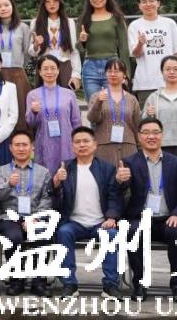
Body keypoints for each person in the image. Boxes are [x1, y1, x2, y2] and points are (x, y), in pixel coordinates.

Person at [48, 126, 126, 298]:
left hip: (100, 222)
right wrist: (56, 182)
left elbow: (115, 195)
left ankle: (110, 285)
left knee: (112, 235)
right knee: (63, 232)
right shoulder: (65, 168)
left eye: (86, 141)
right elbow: (54, 200)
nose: (81, 145)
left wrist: (111, 217)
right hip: (74, 222)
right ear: (72, 146)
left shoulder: (106, 168)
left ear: (95, 144)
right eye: (77, 142)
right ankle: (69, 284)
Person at [122, 117, 177, 301]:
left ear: (162, 135)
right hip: (140, 218)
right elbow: (120, 192)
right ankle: (140, 284)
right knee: (133, 231)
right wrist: (121, 181)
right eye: (146, 133)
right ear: (139, 137)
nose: (151, 136)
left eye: (155, 132)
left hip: (168, 218)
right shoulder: (129, 162)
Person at [0, 129, 52, 297]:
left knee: (43, 233)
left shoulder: (43, 172)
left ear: (32, 147)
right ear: (11, 148)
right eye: (17, 145)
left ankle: (39, 282)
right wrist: (9, 184)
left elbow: (47, 199)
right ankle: (17, 280)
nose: (21, 148)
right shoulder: (2, 171)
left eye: (25, 145)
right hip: (10, 217)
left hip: (35, 217)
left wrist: (35, 218)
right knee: (13, 237)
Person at [23, 56, 82, 174]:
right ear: (40, 72)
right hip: (44, 142)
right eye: (45, 69)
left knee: (67, 176)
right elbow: (30, 122)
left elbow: (76, 122)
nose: (49, 72)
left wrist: (79, 141)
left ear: (58, 71)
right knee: (46, 177)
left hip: (66, 142)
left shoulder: (69, 94)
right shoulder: (33, 95)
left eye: (53, 68)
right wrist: (33, 111)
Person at [127, 0, 177, 104]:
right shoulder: (134, 25)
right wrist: (140, 43)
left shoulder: (170, 23)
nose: (148, 4)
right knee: (148, 115)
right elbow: (136, 55)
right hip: (145, 84)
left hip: (169, 82)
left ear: (158, 3)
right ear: (139, 6)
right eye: (144, 2)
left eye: (152, 0)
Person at [0, 0, 32, 130]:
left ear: (13, 7)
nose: (3, 8)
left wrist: (19, 64)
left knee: (20, 109)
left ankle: (21, 139)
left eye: (6, 5)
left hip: (17, 73)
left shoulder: (23, 27)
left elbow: (27, 52)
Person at [77, 0, 131, 99]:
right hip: (90, 66)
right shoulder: (83, 19)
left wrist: (126, 73)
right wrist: (82, 41)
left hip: (113, 66)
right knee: (94, 104)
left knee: (113, 104)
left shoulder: (117, 18)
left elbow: (124, 47)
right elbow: (79, 49)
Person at [28, 0, 83, 92]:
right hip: (44, 66)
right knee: (43, 99)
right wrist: (36, 45)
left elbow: (74, 50)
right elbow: (31, 52)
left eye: (55, 1)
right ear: (43, 4)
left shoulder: (69, 22)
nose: (51, 4)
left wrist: (76, 74)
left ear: (60, 2)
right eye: (48, 1)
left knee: (65, 99)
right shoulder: (36, 22)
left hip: (64, 66)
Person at [89, 59, 142, 164]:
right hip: (104, 146)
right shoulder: (96, 96)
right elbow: (92, 119)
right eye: (109, 71)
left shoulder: (132, 99)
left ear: (124, 75)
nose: (113, 74)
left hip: (128, 146)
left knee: (129, 173)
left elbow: (138, 125)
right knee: (106, 174)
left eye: (117, 71)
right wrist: (99, 102)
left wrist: (140, 147)